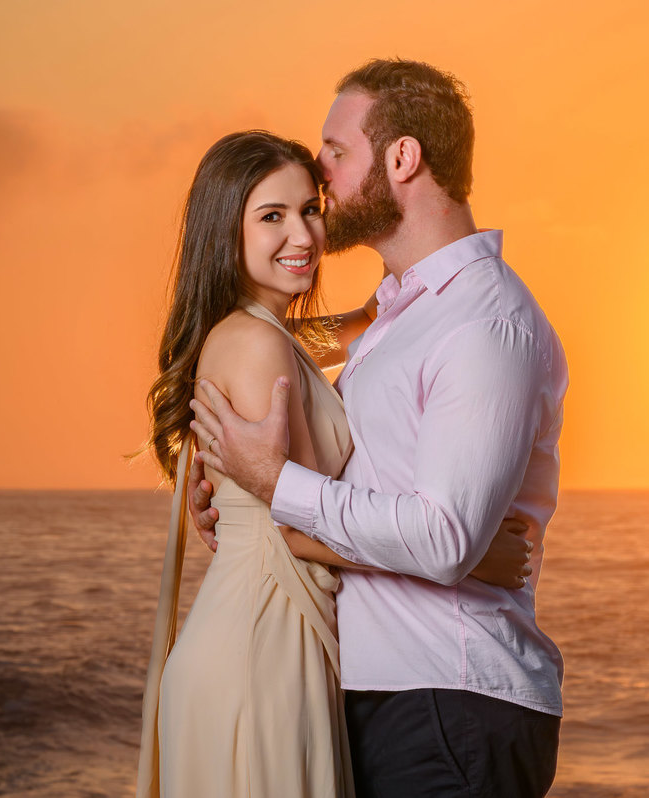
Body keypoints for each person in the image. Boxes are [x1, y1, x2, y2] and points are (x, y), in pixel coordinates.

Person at [189, 59, 568, 797]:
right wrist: (229, 497)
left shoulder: (482, 323)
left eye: (335, 150)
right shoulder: (394, 314)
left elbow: (442, 540)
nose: (321, 171)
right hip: (381, 697)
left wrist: (272, 485)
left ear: (402, 157)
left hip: (449, 698)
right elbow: (268, 349)